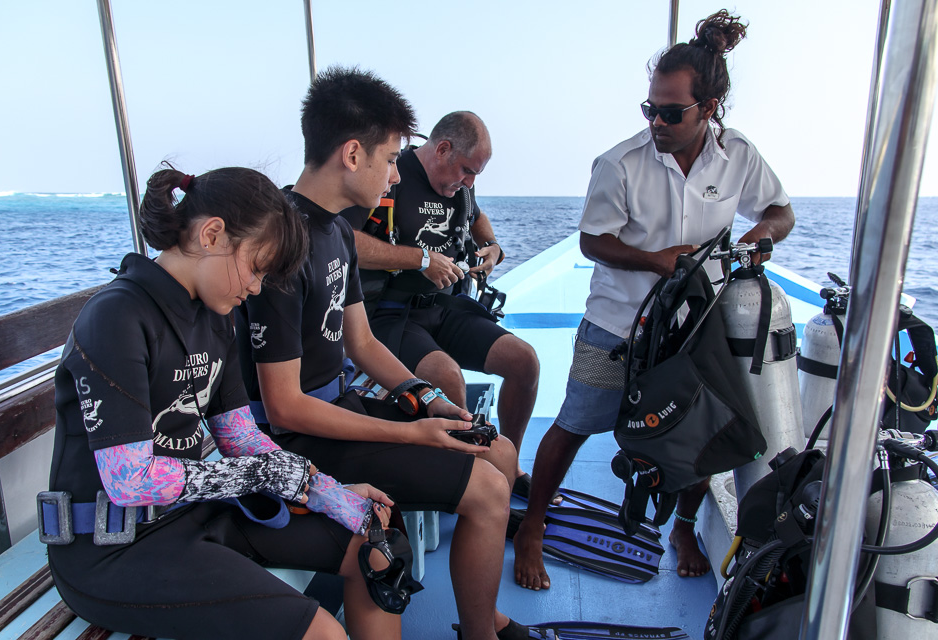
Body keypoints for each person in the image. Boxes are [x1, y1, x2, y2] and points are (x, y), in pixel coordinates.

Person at [45, 165, 401, 640]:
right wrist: (260, 476)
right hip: (112, 548)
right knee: (322, 634)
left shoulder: (215, 318)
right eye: (256, 267)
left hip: (194, 513)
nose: (255, 287)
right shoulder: (117, 316)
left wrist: (329, 493)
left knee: (376, 548)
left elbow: (239, 436)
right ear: (212, 234)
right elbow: (129, 480)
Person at [237, 67, 527, 640]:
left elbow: (362, 341)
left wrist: (425, 398)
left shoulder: (337, 234)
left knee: (499, 451)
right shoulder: (283, 244)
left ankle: (483, 616)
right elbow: (285, 407)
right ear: (352, 154)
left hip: (340, 413)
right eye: (391, 158)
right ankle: (480, 634)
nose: (396, 174)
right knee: (490, 489)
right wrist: (410, 433)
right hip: (295, 441)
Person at [513, 10, 796, 590]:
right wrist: (658, 259)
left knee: (702, 427)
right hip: (618, 324)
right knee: (575, 424)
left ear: (708, 108)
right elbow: (593, 241)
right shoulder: (619, 164)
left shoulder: (739, 154)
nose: (657, 122)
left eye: (671, 112)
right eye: (650, 109)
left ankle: (683, 528)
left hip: (696, 325)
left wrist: (753, 242)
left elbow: (780, 212)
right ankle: (533, 526)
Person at [338, 112, 541, 495]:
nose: (470, 182)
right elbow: (345, 238)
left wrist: (492, 245)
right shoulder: (389, 175)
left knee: (524, 361)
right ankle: (476, 488)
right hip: (391, 314)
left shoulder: (460, 186)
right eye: (467, 170)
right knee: (448, 378)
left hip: (445, 307)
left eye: (476, 174)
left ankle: (508, 469)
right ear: (443, 149)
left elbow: (476, 217)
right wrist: (420, 259)